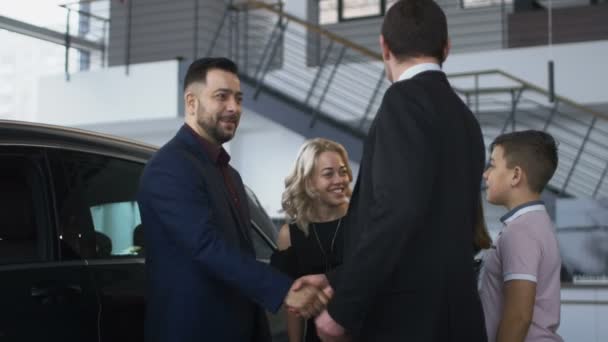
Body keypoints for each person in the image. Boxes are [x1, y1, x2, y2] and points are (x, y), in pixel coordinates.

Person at [298, 0, 489, 340]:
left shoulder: (403, 101)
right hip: (458, 316)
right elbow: (430, 236)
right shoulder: (465, 119)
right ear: (446, 47)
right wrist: (335, 279)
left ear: (384, 45)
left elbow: (399, 211)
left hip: (410, 321)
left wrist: (344, 308)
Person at [137, 57, 329, 342]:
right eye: (221, 97)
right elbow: (206, 246)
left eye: (238, 99)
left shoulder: (229, 174)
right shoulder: (170, 167)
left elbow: (242, 254)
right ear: (191, 103)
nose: (234, 108)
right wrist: (284, 290)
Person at [479, 130, 563, 342]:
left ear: (516, 175)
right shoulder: (535, 223)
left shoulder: (521, 232)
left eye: (492, 165)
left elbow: (519, 317)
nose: (485, 174)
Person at [271, 138, 353, 342]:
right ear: (309, 182)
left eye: (342, 171)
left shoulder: (365, 222)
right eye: (328, 174)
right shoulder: (290, 235)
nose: (340, 180)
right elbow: (294, 304)